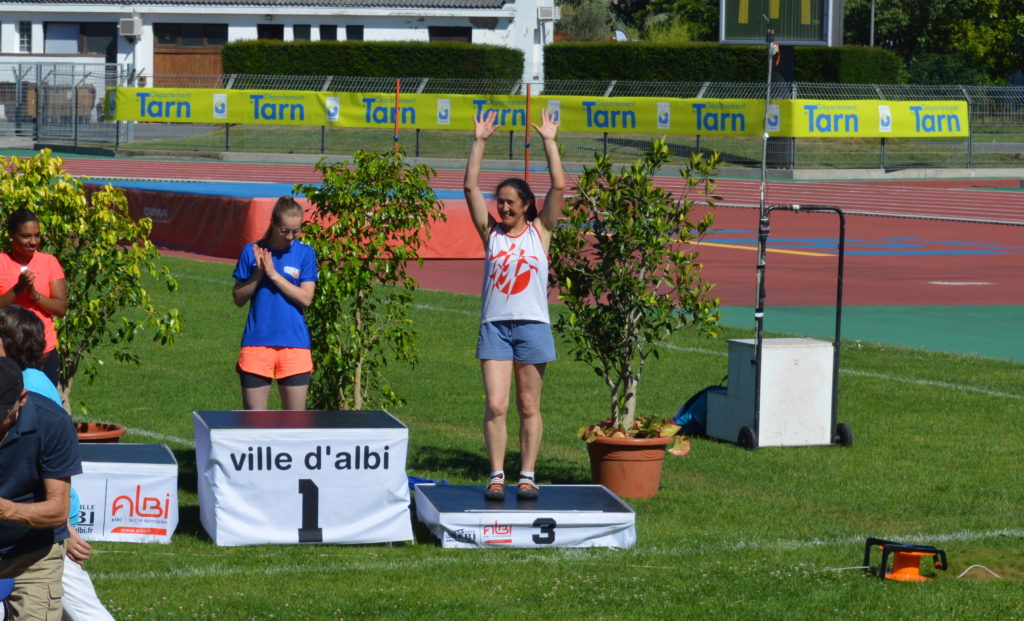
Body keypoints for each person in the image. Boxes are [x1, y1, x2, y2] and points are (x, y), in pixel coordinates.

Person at [464, 108, 565, 501]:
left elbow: (558, 189)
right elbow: (470, 188)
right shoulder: (490, 233)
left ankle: (526, 474)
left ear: (526, 205)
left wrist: (549, 142)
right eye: (499, 202)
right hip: (495, 327)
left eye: (509, 203)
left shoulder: (541, 231)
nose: (502, 208)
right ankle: (496, 474)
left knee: (527, 404)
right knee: (496, 403)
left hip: (532, 327)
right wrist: (480, 141)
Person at [0, 306, 113, 621]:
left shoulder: (34, 391)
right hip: (27, 523)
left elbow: (53, 492)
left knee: (84, 611)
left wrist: (64, 527)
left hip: (38, 535)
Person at [0, 357, 82, 620]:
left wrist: (6, 510)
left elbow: (58, 510)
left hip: (33, 555)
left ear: (22, 399)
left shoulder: (52, 423)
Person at [232, 196, 318, 410]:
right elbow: (238, 298)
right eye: (285, 231)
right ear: (273, 223)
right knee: (254, 423)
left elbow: (306, 298)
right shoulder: (251, 252)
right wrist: (258, 274)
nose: (290, 236)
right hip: (257, 343)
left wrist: (274, 274)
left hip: (295, 344)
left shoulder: (305, 253)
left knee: (295, 424)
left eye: (296, 231)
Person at [0, 209, 68, 389]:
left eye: (37, 236)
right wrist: (18, 288)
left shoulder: (49, 262)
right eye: (26, 236)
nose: (33, 242)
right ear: (11, 236)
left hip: (43, 350)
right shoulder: (2, 262)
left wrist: (35, 295)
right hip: (6, 351)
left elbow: (60, 309)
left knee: (43, 401)